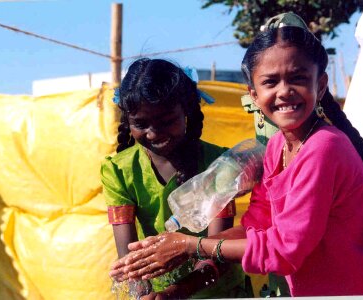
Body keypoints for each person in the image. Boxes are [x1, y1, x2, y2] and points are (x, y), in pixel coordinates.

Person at [110, 13, 363, 297]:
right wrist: (167, 250)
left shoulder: (324, 148)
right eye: (270, 82)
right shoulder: (277, 149)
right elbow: (257, 226)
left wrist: (190, 246)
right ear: (254, 95)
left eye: (297, 78)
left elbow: (284, 251)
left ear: (321, 85)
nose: (284, 91)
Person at [101, 58, 251, 299]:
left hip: (219, 293)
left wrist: (174, 293)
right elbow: (130, 259)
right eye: (140, 123)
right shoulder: (118, 171)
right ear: (128, 121)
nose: (153, 133)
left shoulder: (219, 164)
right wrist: (142, 294)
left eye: (166, 121)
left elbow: (219, 253)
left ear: (187, 111)